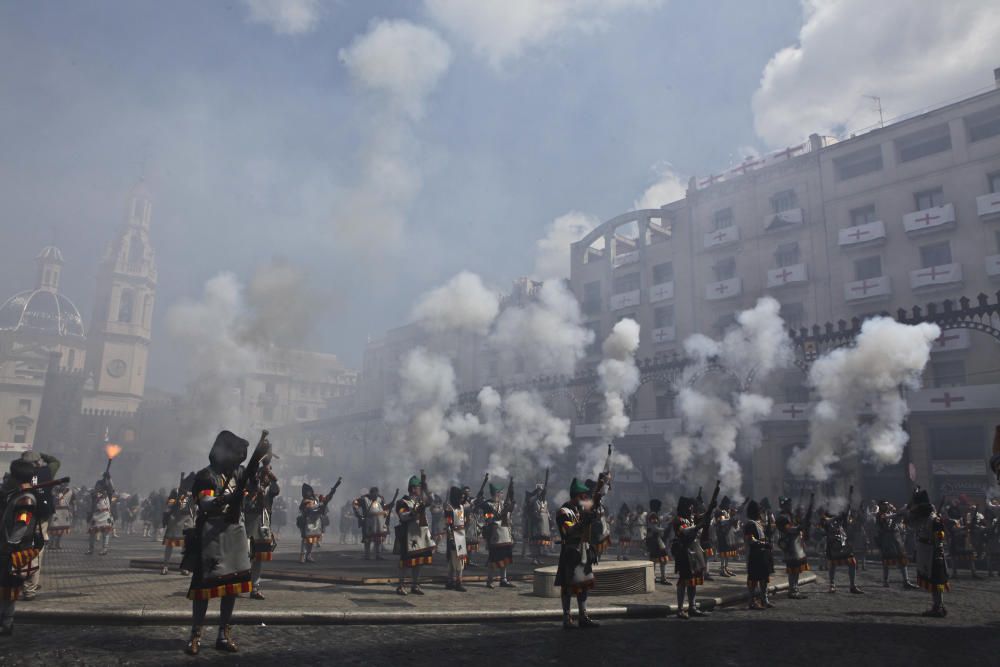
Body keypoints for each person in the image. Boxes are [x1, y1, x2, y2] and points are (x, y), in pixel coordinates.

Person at [182, 430, 256, 655]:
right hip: (211, 537)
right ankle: (196, 634)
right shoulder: (207, 475)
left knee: (231, 588)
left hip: (235, 535)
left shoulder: (239, 473)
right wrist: (226, 498)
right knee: (203, 590)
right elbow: (205, 503)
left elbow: (252, 494)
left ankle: (224, 633)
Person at [0, 455, 54, 636]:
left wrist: (10, 545)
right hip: (10, 547)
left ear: (16, 477)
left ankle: (6, 622)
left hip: (14, 549)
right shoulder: (18, 494)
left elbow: (22, 523)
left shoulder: (25, 499)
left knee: (8, 587)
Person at [555, 478, 600, 629]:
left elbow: (587, 533)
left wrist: (589, 521)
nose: (585, 498)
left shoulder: (580, 510)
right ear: (576, 495)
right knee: (568, 586)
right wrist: (583, 522)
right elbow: (570, 531)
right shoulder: (564, 511)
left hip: (583, 551)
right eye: (583, 496)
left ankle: (583, 616)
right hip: (570, 551)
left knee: (584, 585)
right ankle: (567, 617)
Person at [671, 493, 715, 619]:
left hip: (694, 551)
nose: (691, 508)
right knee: (683, 581)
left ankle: (692, 607)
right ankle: (680, 609)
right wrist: (697, 526)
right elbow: (685, 531)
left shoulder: (691, 517)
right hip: (684, 552)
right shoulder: (678, 519)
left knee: (693, 581)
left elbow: (704, 517)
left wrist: (710, 508)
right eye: (689, 506)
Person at [908, 488, 950, 617]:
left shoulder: (934, 519)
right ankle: (938, 605)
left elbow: (940, 537)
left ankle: (938, 607)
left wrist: (938, 550)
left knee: (937, 581)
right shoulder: (926, 519)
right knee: (934, 581)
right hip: (927, 553)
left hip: (934, 553)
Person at [244, 457, 279, 599]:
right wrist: (255, 489)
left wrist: (274, 480)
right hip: (249, 522)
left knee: (259, 558)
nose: (268, 472)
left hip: (263, 524)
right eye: (266, 470)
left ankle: (255, 588)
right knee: (246, 556)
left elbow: (276, 491)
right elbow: (246, 504)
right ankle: (239, 584)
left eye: (269, 470)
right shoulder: (250, 484)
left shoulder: (270, 487)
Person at [395, 475, 434, 595]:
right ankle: (401, 586)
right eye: (418, 488)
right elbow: (403, 516)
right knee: (405, 563)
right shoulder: (402, 502)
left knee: (419, 562)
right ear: (412, 489)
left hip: (421, 535)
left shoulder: (421, 500)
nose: (419, 490)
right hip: (409, 536)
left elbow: (431, 500)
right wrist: (414, 512)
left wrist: (426, 488)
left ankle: (415, 585)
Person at [479, 480, 516, 588]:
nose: (501, 495)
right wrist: (499, 515)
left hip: (505, 535)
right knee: (493, 559)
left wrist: (509, 508)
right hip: (494, 535)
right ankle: (489, 580)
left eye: (502, 493)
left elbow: (509, 516)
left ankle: (503, 580)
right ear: (495, 493)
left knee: (505, 558)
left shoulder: (504, 504)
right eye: (500, 493)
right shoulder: (487, 505)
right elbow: (488, 519)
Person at [819, 506, 864, 595]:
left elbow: (848, 520)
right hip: (832, 544)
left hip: (842, 543)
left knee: (852, 562)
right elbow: (826, 522)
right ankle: (832, 585)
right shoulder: (826, 517)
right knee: (832, 564)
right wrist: (836, 517)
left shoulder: (840, 518)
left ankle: (852, 586)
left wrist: (847, 510)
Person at [876, 501, 918, 589]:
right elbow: (887, 523)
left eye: (887, 504)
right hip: (887, 539)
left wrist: (898, 512)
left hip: (896, 538)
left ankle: (906, 581)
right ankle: (885, 580)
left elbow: (898, 519)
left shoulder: (890, 513)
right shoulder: (880, 515)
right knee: (886, 561)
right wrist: (898, 513)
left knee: (902, 558)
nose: (887, 506)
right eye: (885, 505)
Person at [776, 496, 810, 599]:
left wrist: (802, 521)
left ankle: (795, 589)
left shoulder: (791, 516)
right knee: (792, 569)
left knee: (797, 569)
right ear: (784, 506)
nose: (790, 506)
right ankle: (792, 590)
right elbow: (788, 529)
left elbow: (798, 524)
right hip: (790, 546)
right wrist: (799, 527)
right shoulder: (782, 517)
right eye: (788, 505)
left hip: (796, 544)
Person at [161, 474, 196, 575]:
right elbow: (169, 504)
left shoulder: (194, 493)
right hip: (175, 518)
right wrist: (169, 514)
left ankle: (184, 567)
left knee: (186, 545)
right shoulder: (176, 491)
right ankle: (165, 566)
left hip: (188, 519)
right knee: (169, 544)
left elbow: (195, 507)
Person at [744, 500, 773, 610]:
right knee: (754, 579)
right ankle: (752, 601)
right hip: (754, 554)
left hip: (762, 554)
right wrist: (764, 544)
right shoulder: (750, 524)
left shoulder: (758, 523)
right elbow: (750, 540)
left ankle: (764, 599)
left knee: (764, 578)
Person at [353, 487, 390, 560]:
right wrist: (358, 513)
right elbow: (355, 503)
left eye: (376, 493)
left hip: (379, 521)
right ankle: (367, 555)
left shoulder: (380, 499)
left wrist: (387, 511)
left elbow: (385, 507)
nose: (375, 495)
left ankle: (378, 555)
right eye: (374, 493)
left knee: (378, 539)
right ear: (371, 493)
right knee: (367, 539)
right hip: (368, 521)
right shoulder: (364, 499)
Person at [444, 486, 470, 591]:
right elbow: (448, 525)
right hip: (454, 536)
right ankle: (457, 582)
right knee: (455, 561)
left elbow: (468, 506)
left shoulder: (461, 507)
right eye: (460, 497)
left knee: (458, 560)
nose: (462, 499)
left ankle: (451, 581)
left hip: (461, 535)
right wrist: (451, 539)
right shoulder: (450, 509)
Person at [645, 498, 672, 585]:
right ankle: (662, 578)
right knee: (662, 559)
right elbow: (654, 527)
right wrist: (664, 529)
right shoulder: (652, 515)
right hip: (655, 539)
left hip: (654, 539)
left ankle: (654, 577)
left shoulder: (652, 514)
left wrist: (668, 517)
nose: (660, 508)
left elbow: (660, 519)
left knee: (655, 559)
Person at [87, 474, 115, 556]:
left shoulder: (108, 494)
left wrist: (108, 479)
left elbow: (111, 489)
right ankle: (90, 549)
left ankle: (104, 549)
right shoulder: (94, 494)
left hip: (105, 514)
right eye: (98, 485)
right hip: (96, 514)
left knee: (105, 533)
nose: (98, 486)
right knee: (92, 532)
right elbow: (93, 500)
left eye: (100, 485)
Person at [298, 484, 325, 563]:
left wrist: (323, 502)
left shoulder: (315, 499)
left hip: (315, 521)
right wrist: (319, 504)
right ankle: (302, 556)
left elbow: (319, 507)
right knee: (305, 539)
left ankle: (308, 556)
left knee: (312, 540)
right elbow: (310, 507)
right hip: (306, 521)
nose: (308, 493)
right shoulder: (305, 500)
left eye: (309, 491)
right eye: (307, 492)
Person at [527, 479, 552, 565]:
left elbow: (547, 512)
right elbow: (531, 511)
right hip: (536, 523)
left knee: (541, 543)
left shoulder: (545, 502)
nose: (541, 493)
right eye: (540, 491)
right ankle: (534, 558)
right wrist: (536, 517)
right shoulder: (534, 501)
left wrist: (550, 520)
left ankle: (538, 559)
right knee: (535, 542)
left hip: (544, 524)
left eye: (542, 491)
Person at [715, 497, 740, 577]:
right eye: (728, 504)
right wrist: (730, 520)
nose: (729, 505)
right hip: (722, 534)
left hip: (728, 534)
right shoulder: (720, 511)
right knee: (723, 552)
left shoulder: (727, 511)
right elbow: (721, 522)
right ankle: (722, 569)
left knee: (727, 553)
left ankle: (726, 568)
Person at [48, 484, 73, 550]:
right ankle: (51, 544)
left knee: (60, 530)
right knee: (54, 529)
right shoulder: (54, 496)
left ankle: (57, 544)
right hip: (56, 513)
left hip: (63, 514)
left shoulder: (66, 495)